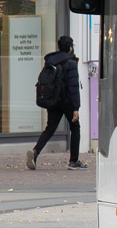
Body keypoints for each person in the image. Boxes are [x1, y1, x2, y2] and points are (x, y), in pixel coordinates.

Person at [28, 35, 87, 171]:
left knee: (50, 128)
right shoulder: (71, 63)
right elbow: (73, 87)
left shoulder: (52, 60)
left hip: (53, 100)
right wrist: (76, 108)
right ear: (70, 47)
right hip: (66, 101)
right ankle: (74, 161)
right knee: (75, 127)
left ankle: (35, 152)